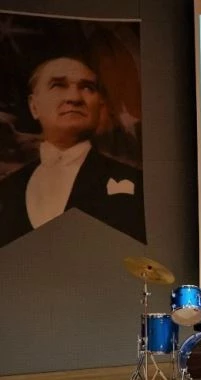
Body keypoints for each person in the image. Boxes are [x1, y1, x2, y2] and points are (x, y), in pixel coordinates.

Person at [0, 55, 145, 247]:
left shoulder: (138, 184)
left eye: (87, 88)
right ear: (34, 106)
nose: (74, 98)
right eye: (58, 85)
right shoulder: (6, 190)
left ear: (99, 105)